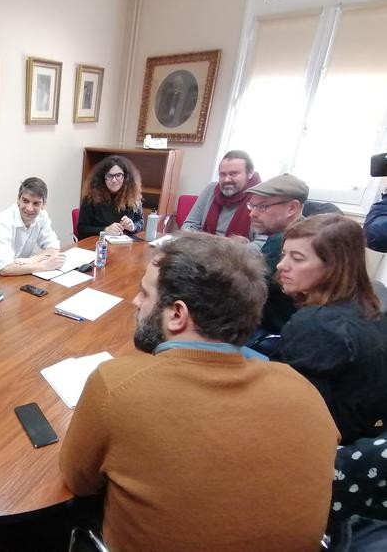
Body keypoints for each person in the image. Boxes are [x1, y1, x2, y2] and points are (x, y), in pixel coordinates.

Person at [59, 232, 339, 552]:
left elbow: (79, 482)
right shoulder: (303, 390)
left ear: (178, 314)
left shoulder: (118, 385)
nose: (136, 302)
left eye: (144, 293)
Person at [271, 213, 387, 445]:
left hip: (328, 443)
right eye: (285, 255)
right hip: (365, 429)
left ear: (334, 267)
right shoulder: (372, 300)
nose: (281, 265)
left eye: (298, 258)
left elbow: (287, 410)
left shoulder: (316, 324)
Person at [245, 174, 308, 336]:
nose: (252, 214)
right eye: (252, 206)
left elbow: (248, 290)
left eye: (263, 206)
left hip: (273, 334)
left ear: (292, 208)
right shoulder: (307, 231)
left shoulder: (284, 241)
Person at [0, 177, 64, 276]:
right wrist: (43, 266)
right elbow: (5, 268)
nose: (29, 208)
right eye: (25, 201)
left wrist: (32, 260)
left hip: (23, 271)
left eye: (36, 203)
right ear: (18, 200)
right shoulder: (3, 221)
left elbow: (54, 248)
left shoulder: (42, 216)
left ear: (43, 204)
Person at [181, 150, 260, 239]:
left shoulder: (261, 198)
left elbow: (261, 245)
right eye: (222, 174)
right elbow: (189, 224)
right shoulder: (210, 189)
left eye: (233, 174)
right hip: (202, 248)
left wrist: (221, 248)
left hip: (239, 251)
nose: (226, 180)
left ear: (250, 173)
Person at [76, 155, 143, 240]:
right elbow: (82, 229)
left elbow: (140, 221)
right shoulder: (91, 198)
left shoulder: (133, 196)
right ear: (103, 178)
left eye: (118, 175)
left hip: (125, 245)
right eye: (109, 176)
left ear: (125, 177)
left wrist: (133, 227)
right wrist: (105, 230)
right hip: (99, 245)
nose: (114, 180)